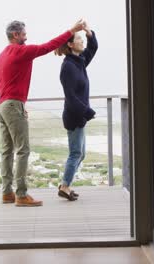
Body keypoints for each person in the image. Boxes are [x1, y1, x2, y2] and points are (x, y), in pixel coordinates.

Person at [0, 19, 85, 207]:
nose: (26, 37)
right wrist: (71, 30)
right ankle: (21, 195)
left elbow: (3, 83)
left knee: (7, 151)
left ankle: (7, 193)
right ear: (15, 35)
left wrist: (16, 104)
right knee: (22, 150)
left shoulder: (2, 55)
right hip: (12, 105)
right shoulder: (21, 51)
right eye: (23, 34)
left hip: (3, 105)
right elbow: (48, 46)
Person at [54, 21, 98, 201]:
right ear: (70, 45)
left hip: (79, 117)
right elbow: (71, 97)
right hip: (74, 117)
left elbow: (93, 48)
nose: (82, 41)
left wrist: (88, 32)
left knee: (81, 154)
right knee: (75, 153)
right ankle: (65, 186)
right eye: (79, 39)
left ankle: (65, 184)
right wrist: (88, 111)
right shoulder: (68, 67)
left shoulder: (79, 61)